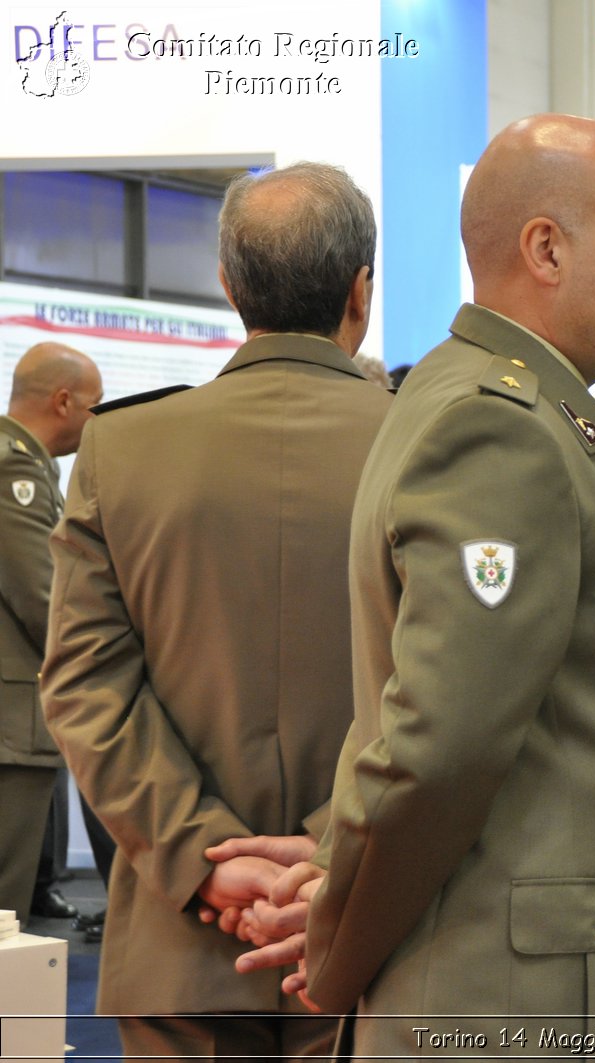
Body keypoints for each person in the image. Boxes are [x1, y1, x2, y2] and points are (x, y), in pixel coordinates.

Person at [236, 115, 595, 1058]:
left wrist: (337, 864)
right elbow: (437, 746)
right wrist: (335, 947)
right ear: (546, 249)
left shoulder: (509, 406)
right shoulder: (502, 431)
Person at [39, 162, 390, 1060]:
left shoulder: (121, 447)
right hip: (372, 937)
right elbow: (453, 694)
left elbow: (84, 688)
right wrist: (322, 854)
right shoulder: (430, 445)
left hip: (178, 939)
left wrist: (207, 856)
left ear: (228, 287)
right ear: (361, 289)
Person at [0, 343, 100, 930]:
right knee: (4, 915)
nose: (97, 420)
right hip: (10, 724)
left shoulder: (29, 464)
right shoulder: (16, 468)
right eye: (96, 406)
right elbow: (45, 600)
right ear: (63, 402)